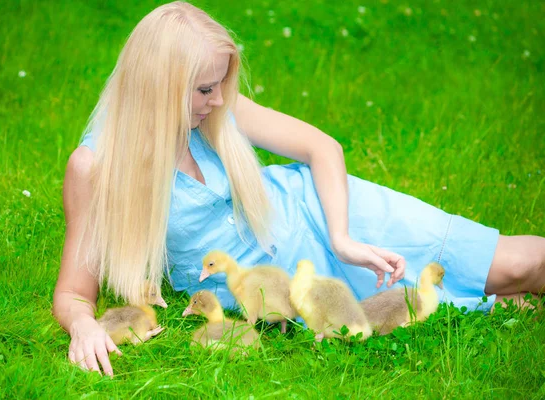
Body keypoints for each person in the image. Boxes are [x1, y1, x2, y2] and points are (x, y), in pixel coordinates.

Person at [52, 1, 545, 377]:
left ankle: (500, 288)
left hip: (319, 216)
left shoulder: (215, 110)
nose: (220, 99)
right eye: (205, 89)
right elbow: (75, 292)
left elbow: (321, 148)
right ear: (159, 87)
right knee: (473, 296)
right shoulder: (95, 168)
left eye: (221, 84)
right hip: (292, 288)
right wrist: (83, 325)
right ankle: (497, 299)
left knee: (521, 265)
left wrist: (343, 237)